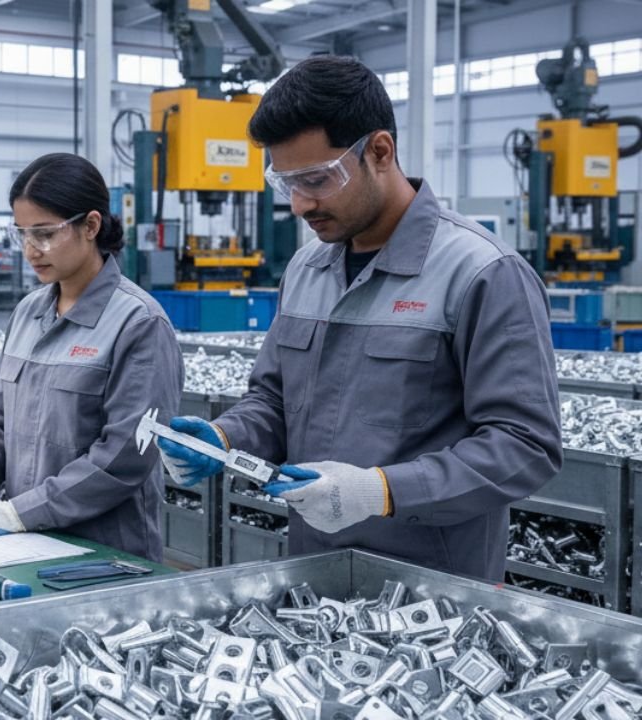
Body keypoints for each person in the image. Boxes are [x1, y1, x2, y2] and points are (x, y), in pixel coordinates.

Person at [158, 56, 562, 581]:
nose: (300, 205)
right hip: (313, 575)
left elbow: (524, 446)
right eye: (285, 184)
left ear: (379, 151)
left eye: (317, 180)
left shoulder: (482, 272)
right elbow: (275, 401)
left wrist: (382, 491)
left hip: (431, 590)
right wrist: (226, 437)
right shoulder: (306, 268)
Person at [0, 153, 183, 561]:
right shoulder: (28, 313)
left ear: (90, 226)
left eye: (44, 234)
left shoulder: (138, 323)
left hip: (104, 555)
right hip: (24, 545)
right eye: (21, 234)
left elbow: (124, 456)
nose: (30, 250)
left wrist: (18, 513)